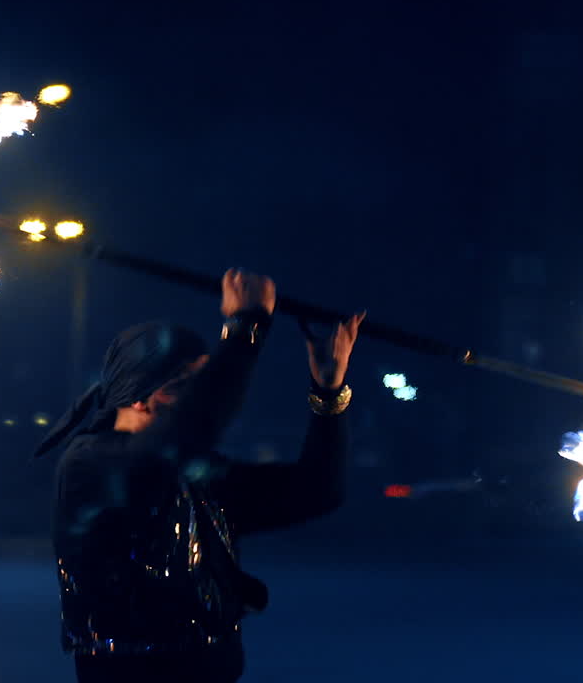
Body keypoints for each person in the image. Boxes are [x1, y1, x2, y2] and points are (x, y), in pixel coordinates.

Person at [34, 269, 363, 682]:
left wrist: (328, 392)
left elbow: (317, 491)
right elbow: (179, 438)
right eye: (186, 384)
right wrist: (245, 327)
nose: (199, 396)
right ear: (142, 395)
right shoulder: (91, 465)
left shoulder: (199, 475)